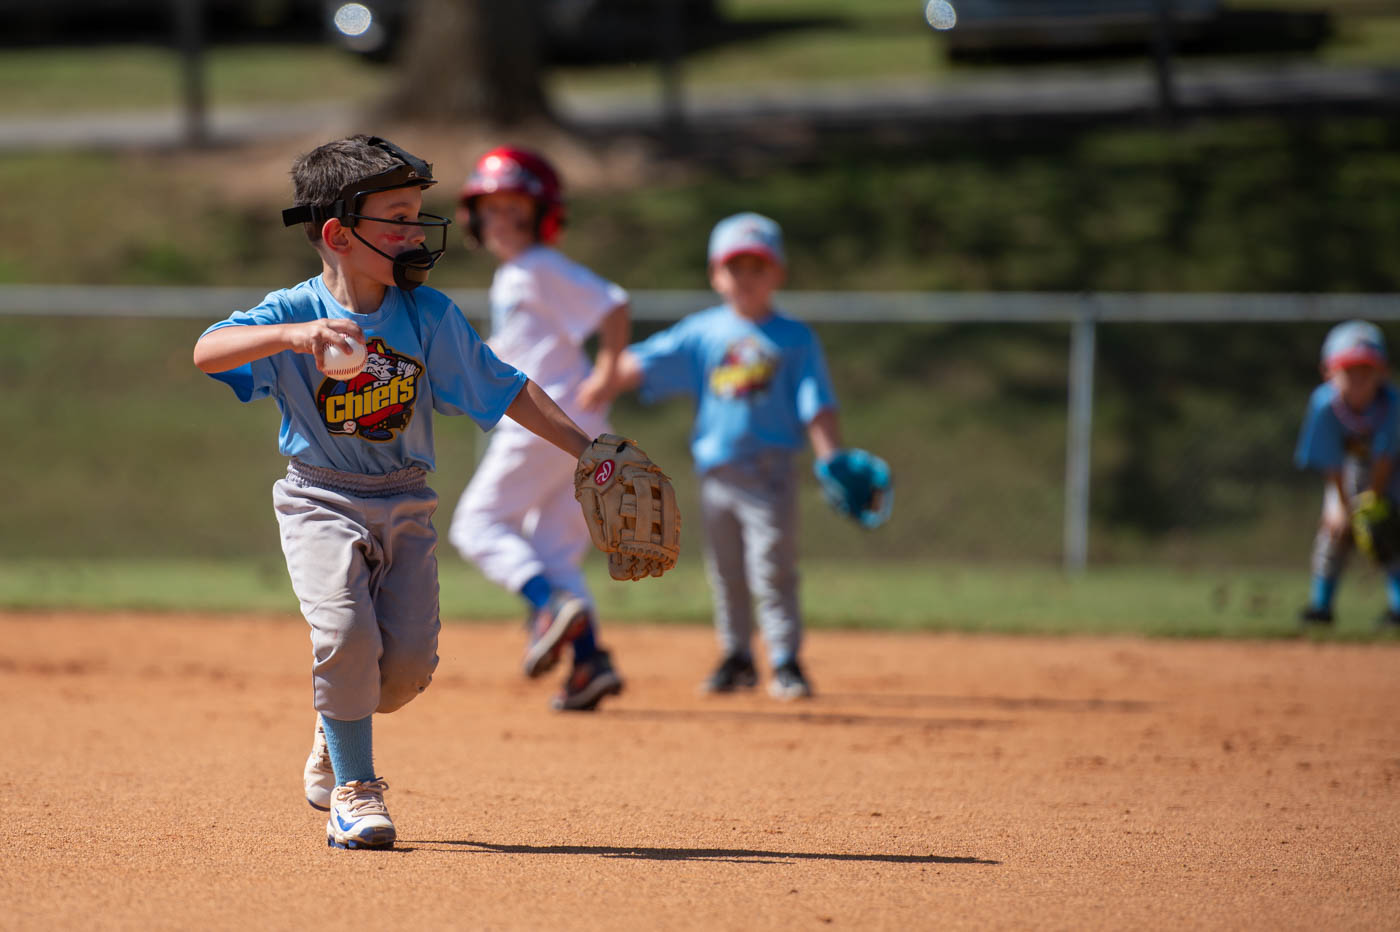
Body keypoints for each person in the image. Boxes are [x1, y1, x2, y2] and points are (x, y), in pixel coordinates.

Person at [192, 135, 601, 851]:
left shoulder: (427, 315)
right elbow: (207, 351)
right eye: (399, 218)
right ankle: (355, 791)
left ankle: (335, 724)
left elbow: (507, 388)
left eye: (417, 215)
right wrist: (292, 336)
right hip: (320, 498)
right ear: (338, 236)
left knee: (404, 673)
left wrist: (588, 450)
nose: (417, 231)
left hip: (406, 501)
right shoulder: (294, 310)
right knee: (345, 637)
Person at [587, 211, 847, 700]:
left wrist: (830, 457)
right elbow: (642, 362)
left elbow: (818, 404)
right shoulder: (704, 331)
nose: (746, 278)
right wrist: (592, 381)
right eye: (735, 267)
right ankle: (738, 656)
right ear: (715, 274)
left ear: (778, 273)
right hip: (717, 475)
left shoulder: (795, 338)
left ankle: (786, 660)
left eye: (758, 267)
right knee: (726, 571)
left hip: (770, 474)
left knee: (772, 567)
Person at [446, 147, 629, 711]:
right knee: (552, 548)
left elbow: (614, 305)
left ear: (542, 214)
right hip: (576, 426)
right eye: (490, 210)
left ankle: (547, 605)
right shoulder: (518, 274)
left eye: (515, 209)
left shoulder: (537, 267)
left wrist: (608, 369)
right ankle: (590, 663)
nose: (501, 221)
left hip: (546, 425)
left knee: (476, 525)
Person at [1295, 319, 1400, 630]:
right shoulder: (1324, 405)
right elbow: (1331, 463)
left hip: (1392, 474)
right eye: (1348, 371)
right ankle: (1321, 606)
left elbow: (1386, 459)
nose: (1357, 380)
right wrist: (1339, 507)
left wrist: (1371, 507)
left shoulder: (1392, 405)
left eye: (1366, 371)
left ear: (1382, 373)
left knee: (1390, 533)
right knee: (1333, 531)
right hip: (1348, 472)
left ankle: (1398, 609)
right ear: (1328, 372)